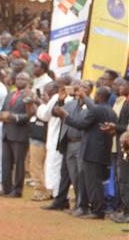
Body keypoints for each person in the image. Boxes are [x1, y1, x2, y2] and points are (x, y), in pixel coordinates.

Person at [54, 85, 118, 218]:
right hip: (102, 150)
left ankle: (97, 211)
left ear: (99, 96)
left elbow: (81, 124)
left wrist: (66, 116)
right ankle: (90, 208)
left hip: (92, 151)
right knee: (92, 181)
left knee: (93, 183)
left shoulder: (96, 110)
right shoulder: (111, 110)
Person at [42, 79, 85, 212]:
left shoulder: (87, 105)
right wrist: (60, 101)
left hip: (79, 143)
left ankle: (80, 204)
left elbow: (80, 123)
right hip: (67, 142)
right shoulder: (70, 103)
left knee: (77, 175)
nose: (75, 91)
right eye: (74, 88)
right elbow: (55, 113)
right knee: (64, 173)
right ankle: (60, 201)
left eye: (79, 88)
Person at [0, 72, 33, 197]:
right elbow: (3, 110)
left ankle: (17, 190)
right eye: (18, 78)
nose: (19, 80)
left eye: (23, 79)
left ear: (28, 81)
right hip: (6, 132)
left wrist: (14, 117)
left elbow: (30, 115)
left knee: (19, 164)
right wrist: (0, 115)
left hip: (20, 134)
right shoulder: (10, 94)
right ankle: (6, 188)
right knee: (5, 162)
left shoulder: (29, 96)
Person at [107, 79, 129, 222]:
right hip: (122, 143)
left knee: (125, 179)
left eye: (123, 84)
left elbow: (126, 127)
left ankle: (126, 212)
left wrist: (116, 128)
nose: (120, 87)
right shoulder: (125, 102)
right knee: (121, 179)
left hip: (126, 144)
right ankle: (125, 210)